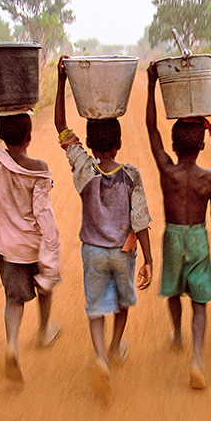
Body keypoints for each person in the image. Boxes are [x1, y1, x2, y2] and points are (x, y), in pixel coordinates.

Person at [54, 57, 153, 397]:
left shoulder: (84, 168)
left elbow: (60, 127)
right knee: (122, 303)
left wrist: (61, 81)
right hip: (123, 254)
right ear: (119, 144)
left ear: (90, 145)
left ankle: (99, 357)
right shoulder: (131, 174)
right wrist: (149, 259)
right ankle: (114, 347)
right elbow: (140, 220)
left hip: (93, 252)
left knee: (96, 307)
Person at [0, 51, 62, 384]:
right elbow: (44, 217)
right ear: (29, 137)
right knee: (45, 289)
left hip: (9, 250)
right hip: (35, 247)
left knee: (13, 299)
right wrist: (52, 252)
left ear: (4, 137)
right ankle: (44, 331)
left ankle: (11, 344)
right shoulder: (39, 170)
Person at [145, 63, 211, 390]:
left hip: (173, 237)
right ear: (202, 145)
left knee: (174, 290)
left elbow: (151, 128)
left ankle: (177, 333)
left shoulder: (167, 172)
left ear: (173, 146)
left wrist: (151, 84)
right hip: (198, 237)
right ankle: (197, 360)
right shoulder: (210, 178)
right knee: (200, 303)